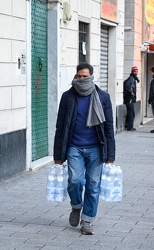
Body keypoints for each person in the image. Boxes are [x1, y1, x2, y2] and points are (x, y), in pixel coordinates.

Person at [53, 63, 116, 235]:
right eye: (78, 76)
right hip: (74, 147)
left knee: (93, 185)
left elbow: (109, 127)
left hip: (96, 147)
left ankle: (87, 220)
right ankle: (76, 206)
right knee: (75, 181)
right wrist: (58, 154)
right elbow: (60, 126)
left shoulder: (102, 97)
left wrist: (110, 154)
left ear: (91, 77)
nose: (81, 79)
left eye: (84, 76)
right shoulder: (68, 97)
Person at [123, 66, 139, 131]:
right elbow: (126, 84)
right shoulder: (131, 78)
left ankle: (128, 125)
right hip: (129, 98)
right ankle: (130, 127)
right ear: (132, 72)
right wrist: (131, 92)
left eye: (137, 71)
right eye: (135, 71)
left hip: (130, 98)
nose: (136, 72)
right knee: (131, 113)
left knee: (131, 112)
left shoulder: (133, 79)